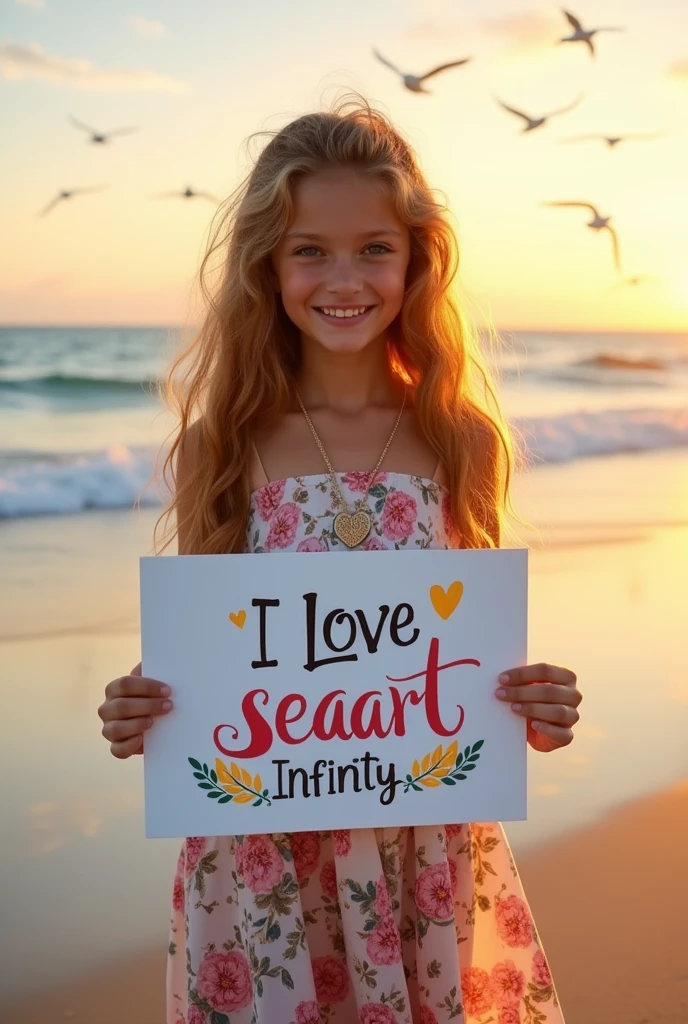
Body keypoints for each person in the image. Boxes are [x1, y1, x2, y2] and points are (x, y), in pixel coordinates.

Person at [98, 95, 582, 1024]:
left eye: (374, 247)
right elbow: (213, 656)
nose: (342, 276)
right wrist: (146, 707)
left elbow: (458, 644)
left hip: (422, 845)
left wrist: (532, 702)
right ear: (268, 267)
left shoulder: (457, 438)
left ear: (415, 260)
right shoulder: (225, 443)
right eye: (309, 249)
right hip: (264, 853)